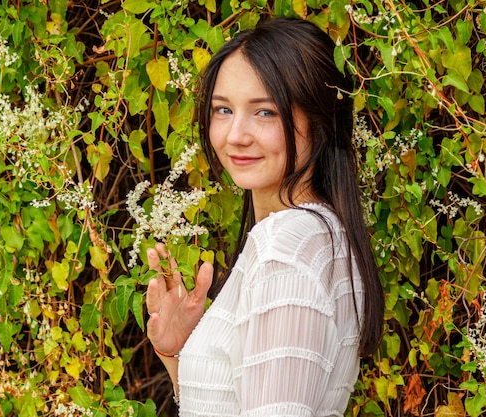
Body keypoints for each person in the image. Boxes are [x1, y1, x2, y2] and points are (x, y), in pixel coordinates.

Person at [145, 17, 385, 416]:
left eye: (265, 113)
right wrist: (181, 357)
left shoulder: (284, 251)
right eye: (223, 109)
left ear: (319, 119)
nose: (235, 134)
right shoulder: (318, 235)